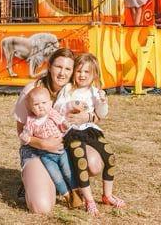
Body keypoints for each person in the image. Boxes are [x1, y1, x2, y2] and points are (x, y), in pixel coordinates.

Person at [12, 48, 103, 214]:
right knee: (41, 208)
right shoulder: (33, 91)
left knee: (94, 164)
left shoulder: (75, 89)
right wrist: (43, 143)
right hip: (37, 151)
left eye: (68, 69)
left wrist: (87, 118)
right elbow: (20, 132)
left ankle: (58, 181)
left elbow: (98, 115)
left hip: (65, 146)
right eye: (58, 67)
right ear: (49, 67)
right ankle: (36, 181)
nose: (62, 73)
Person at [60, 53, 123, 215]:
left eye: (86, 72)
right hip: (72, 130)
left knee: (110, 156)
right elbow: (58, 107)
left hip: (90, 129)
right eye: (79, 71)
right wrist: (71, 105)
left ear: (94, 74)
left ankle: (107, 195)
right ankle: (89, 200)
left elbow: (102, 114)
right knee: (81, 161)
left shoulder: (95, 92)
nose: (81, 75)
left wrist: (103, 102)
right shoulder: (68, 89)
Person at [18, 87, 75, 206]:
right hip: (45, 156)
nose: (41, 106)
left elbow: (62, 124)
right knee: (56, 176)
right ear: (31, 108)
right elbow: (25, 136)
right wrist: (27, 138)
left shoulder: (53, 114)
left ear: (50, 103)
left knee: (68, 170)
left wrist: (66, 126)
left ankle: (76, 191)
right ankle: (67, 195)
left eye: (44, 103)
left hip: (61, 151)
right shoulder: (31, 122)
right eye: (36, 104)